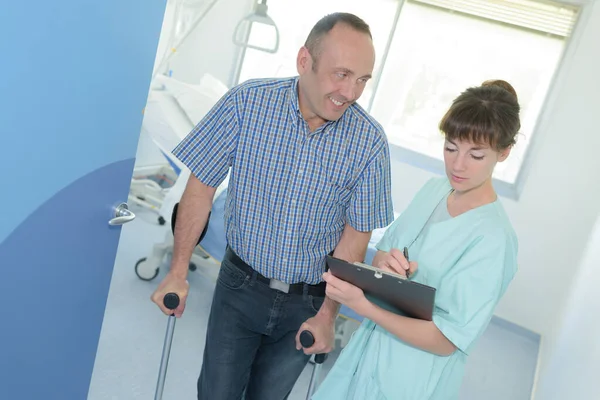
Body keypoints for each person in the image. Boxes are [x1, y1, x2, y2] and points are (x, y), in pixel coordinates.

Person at [150, 12, 394, 400]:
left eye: (363, 79)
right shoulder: (247, 103)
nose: (351, 92)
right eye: (341, 74)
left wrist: (329, 315)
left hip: (308, 301)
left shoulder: (369, 144)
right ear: (304, 61)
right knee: (216, 394)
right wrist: (178, 270)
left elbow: (355, 237)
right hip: (239, 285)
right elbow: (200, 189)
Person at [312, 79, 521, 400]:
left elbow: (447, 339)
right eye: (450, 147)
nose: (457, 164)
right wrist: (386, 264)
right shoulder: (434, 191)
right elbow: (383, 254)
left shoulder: (494, 240)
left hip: (413, 380)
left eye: (476, 155)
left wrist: (363, 306)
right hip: (368, 355)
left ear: (504, 152)